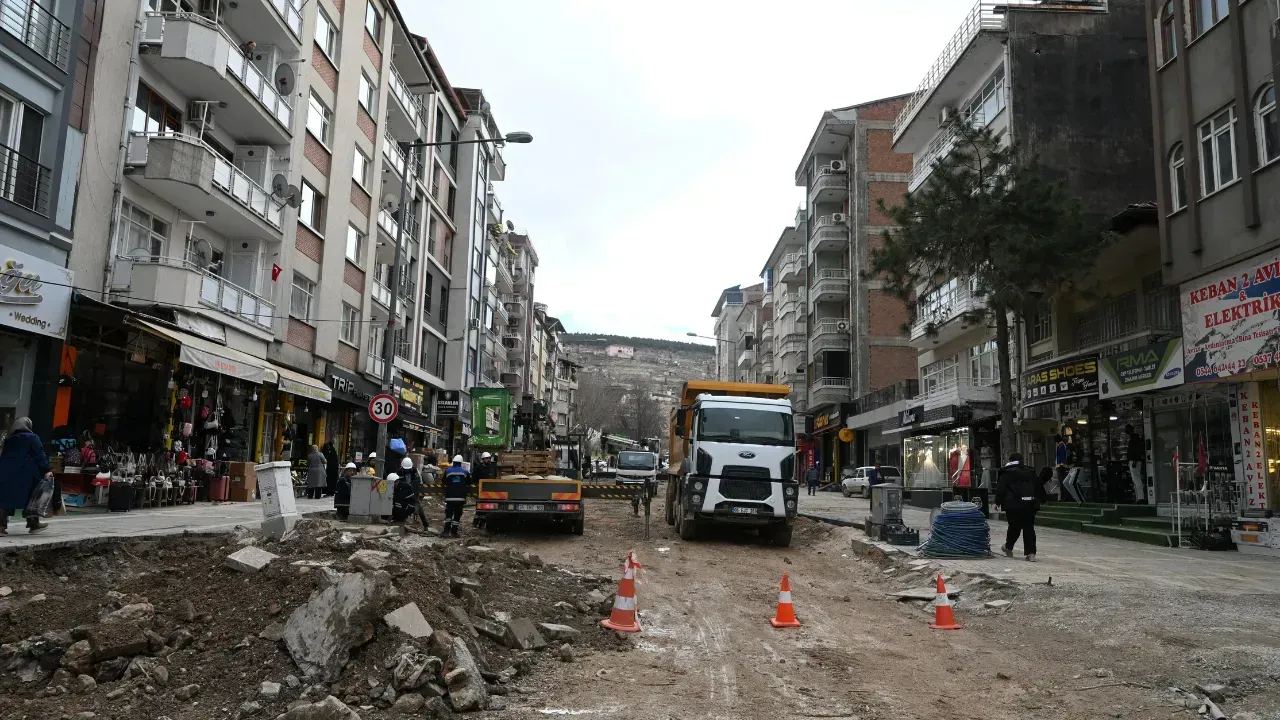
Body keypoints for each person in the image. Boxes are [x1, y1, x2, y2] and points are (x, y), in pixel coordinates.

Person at [0, 417, 51, 534]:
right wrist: (46, 470)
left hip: (5, 472)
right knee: (33, 497)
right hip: (27, 473)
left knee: (3, 499)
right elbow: (40, 454)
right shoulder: (32, 437)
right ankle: (34, 524)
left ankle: (0, 527)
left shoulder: (9, 439)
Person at [994, 452, 1046, 562]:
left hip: (1013, 504)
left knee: (1014, 526)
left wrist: (997, 502)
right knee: (1029, 527)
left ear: (1010, 460)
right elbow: (1038, 486)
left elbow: (1001, 489)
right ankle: (1031, 554)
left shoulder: (1006, 472)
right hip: (1030, 503)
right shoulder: (1030, 471)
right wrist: (1041, 499)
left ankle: (1008, 546)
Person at [394, 457, 429, 529]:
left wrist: (419, 494)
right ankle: (401, 522)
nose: (407, 470)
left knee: (419, 508)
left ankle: (426, 525)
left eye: (408, 469)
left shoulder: (415, 471)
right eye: (405, 469)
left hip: (414, 492)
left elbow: (420, 482)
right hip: (403, 493)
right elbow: (396, 484)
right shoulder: (398, 472)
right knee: (402, 508)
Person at [441, 455, 470, 538]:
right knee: (457, 515)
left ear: (453, 462)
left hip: (449, 497)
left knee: (448, 514)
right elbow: (468, 483)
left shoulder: (448, 471)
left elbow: (444, 482)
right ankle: (454, 532)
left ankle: (446, 531)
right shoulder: (465, 472)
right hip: (460, 498)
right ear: (461, 463)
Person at [1125, 424, 1145, 504]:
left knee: (1136, 480)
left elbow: (1134, 451)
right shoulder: (1138, 439)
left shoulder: (1133, 440)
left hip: (1134, 461)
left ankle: (1140, 497)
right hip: (1136, 461)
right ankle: (1139, 497)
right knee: (1137, 480)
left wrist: (1134, 461)